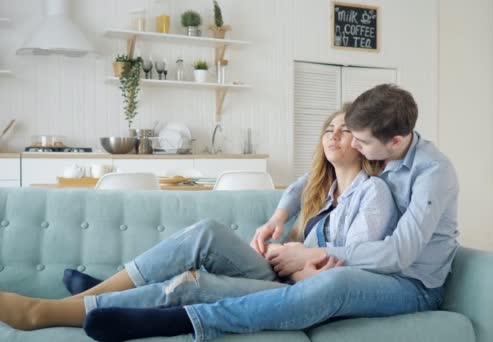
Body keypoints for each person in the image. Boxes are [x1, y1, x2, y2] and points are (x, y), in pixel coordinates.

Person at [80, 84, 460, 341]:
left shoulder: (430, 173)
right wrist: (279, 218)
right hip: (344, 268)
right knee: (208, 235)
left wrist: (312, 256)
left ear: (394, 142)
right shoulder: (369, 163)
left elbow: (399, 254)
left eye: (359, 140)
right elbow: (305, 182)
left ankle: (176, 319)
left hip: (410, 285)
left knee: (331, 284)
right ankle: (110, 293)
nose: (352, 144)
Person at [0, 107, 398, 338]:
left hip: (308, 291)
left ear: (364, 143)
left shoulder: (374, 193)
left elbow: (356, 269)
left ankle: (47, 312)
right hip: (284, 273)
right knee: (207, 231)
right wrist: (277, 224)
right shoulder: (320, 186)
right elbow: (296, 189)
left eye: (345, 131)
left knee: (194, 283)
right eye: (329, 129)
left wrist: (300, 263)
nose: (333, 135)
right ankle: (91, 296)